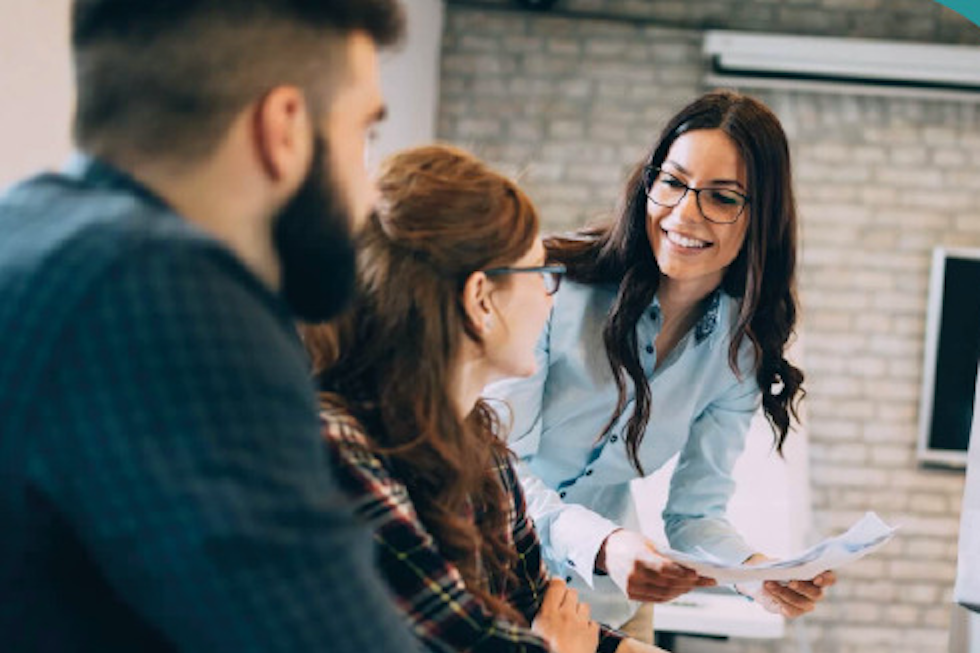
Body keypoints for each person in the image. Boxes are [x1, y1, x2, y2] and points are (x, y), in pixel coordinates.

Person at [0, 1, 422, 651]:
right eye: (362, 135)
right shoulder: (164, 290)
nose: (368, 197)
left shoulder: (26, 226)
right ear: (284, 128)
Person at [487, 90, 836, 641]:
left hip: (608, 605)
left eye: (722, 198)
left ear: (761, 218)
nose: (683, 214)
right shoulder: (553, 286)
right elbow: (499, 472)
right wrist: (604, 545)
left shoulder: (738, 351)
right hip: (493, 585)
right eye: (672, 182)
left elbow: (695, 514)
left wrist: (753, 575)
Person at [303, 144, 665, 653]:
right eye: (538, 274)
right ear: (480, 300)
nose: (549, 295)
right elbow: (487, 643)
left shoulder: (485, 454)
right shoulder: (340, 456)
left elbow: (546, 615)